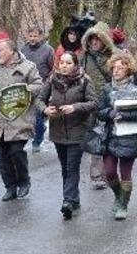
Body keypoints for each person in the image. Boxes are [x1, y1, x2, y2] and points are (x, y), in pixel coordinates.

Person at [35, 51, 97, 219]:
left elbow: (93, 103)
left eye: (68, 63)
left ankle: (67, 201)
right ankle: (74, 199)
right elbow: (39, 100)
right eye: (62, 62)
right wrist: (45, 110)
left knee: (71, 166)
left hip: (78, 129)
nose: (64, 65)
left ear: (75, 64)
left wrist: (75, 107)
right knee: (65, 168)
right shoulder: (52, 80)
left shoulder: (84, 80)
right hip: (58, 130)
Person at [0, 39, 43, 201]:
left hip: (19, 119)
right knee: (3, 156)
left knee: (16, 151)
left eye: (0, 50)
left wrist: (23, 91)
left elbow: (38, 85)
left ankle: (24, 181)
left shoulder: (28, 67)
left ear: (12, 51)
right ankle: (10, 187)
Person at [96, 51, 137, 220]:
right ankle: (118, 194)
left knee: (126, 173)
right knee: (109, 172)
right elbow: (99, 111)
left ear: (128, 69)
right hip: (110, 135)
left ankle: (123, 205)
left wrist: (126, 116)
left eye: (121, 68)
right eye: (114, 68)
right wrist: (110, 113)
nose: (116, 71)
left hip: (130, 135)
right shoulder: (107, 88)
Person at [80, 22, 116, 190]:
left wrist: (101, 59)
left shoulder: (113, 56)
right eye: (91, 39)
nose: (94, 43)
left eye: (97, 39)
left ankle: (109, 171)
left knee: (109, 137)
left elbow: (117, 75)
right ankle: (96, 175)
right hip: (90, 101)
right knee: (96, 136)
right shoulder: (84, 56)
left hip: (108, 101)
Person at [21, 27, 55, 153]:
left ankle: (37, 140)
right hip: (26, 87)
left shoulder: (48, 50)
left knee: (38, 115)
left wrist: (49, 84)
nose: (32, 38)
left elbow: (54, 69)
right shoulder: (23, 50)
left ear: (40, 36)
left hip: (42, 87)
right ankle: (30, 134)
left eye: (35, 36)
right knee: (25, 115)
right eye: (30, 36)